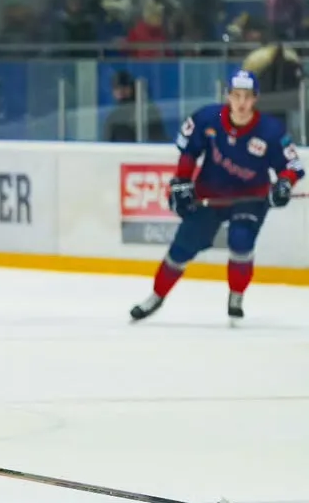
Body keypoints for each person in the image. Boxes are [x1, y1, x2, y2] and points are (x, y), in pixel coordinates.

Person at [130, 70, 305, 323]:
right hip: (209, 194)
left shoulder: (270, 130)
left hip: (250, 199)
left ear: (255, 98)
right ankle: (156, 296)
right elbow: (189, 151)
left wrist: (284, 184)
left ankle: (236, 295)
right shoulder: (209, 118)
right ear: (228, 95)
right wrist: (182, 181)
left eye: (247, 96)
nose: (241, 102)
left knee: (241, 241)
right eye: (236, 95)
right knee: (183, 246)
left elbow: (291, 167)